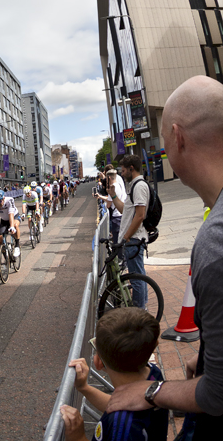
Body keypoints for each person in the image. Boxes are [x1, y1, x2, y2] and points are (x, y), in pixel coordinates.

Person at [107, 76, 223, 439]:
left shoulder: (215, 242)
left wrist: (151, 391)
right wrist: (209, 356)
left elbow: (217, 394)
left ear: (178, 137)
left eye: (162, 139)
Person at [60, 308, 167, 441]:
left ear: (98, 362)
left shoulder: (123, 427)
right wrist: (84, 388)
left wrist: (78, 437)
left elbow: (122, 415)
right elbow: (116, 404)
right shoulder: (153, 374)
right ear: (154, 346)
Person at [108, 155, 149, 309]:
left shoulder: (139, 186)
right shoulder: (133, 186)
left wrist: (125, 237)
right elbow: (126, 211)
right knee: (139, 276)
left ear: (132, 168)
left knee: (137, 280)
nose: (122, 174)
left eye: (123, 171)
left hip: (134, 239)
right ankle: (141, 310)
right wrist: (113, 195)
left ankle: (139, 313)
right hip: (132, 239)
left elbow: (140, 215)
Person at [0, 188, 21, 258]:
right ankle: (6, 258)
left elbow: (11, 214)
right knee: (0, 237)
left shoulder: (9, 200)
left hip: (14, 216)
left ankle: (17, 246)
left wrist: (12, 226)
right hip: (4, 220)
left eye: (0, 201)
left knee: (15, 226)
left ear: (3, 198)